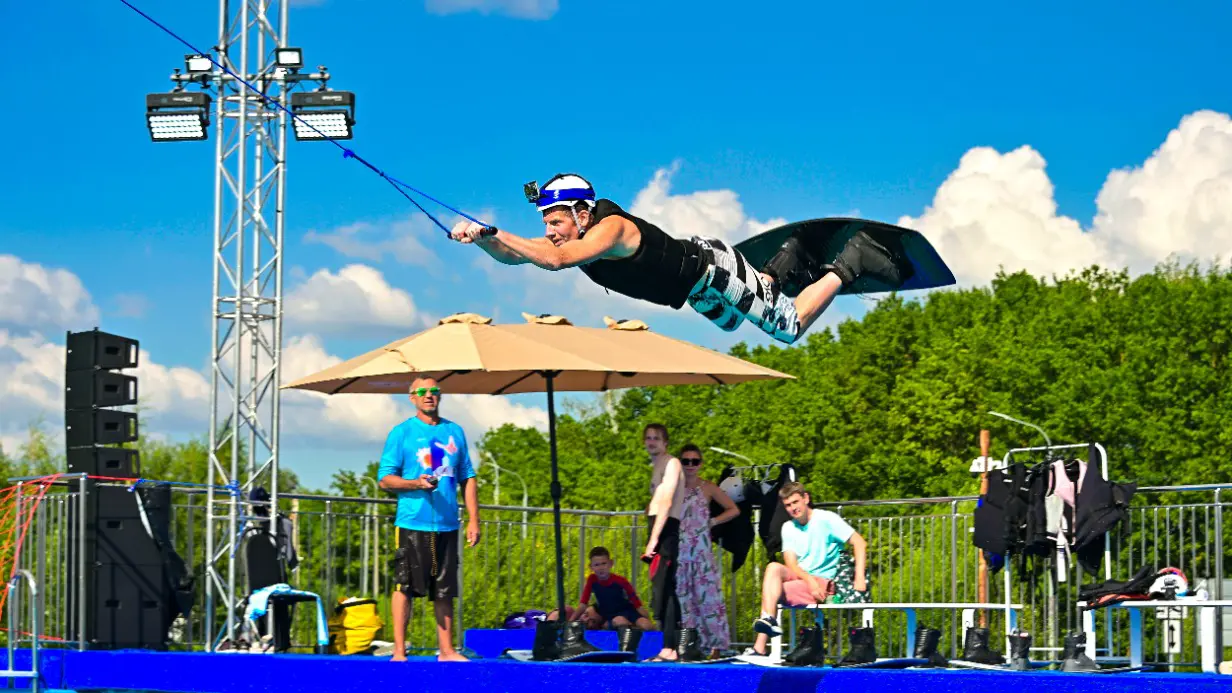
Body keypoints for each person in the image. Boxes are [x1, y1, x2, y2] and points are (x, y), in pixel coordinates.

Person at [449, 173, 911, 345]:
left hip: (711, 268)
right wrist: (482, 238)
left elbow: (554, 260)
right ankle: (787, 262)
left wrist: (496, 230)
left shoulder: (610, 229)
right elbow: (515, 257)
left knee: (787, 327)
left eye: (556, 221)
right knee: (730, 324)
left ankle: (853, 259)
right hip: (695, 289)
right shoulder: (573, 237)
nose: (550, 231)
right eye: (547, 224)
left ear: (582, 213)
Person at [377, 377, 480, 662]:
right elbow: (385, 479)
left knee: (444, 589)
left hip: (447, 523)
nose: (429, 396)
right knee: (405, 586)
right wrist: (416, 483)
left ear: (440, 396)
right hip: (413, 522)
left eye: (434, 391)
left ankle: (446, 650)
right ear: (412, 397)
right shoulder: (402, 432)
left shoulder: (454, 431)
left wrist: (474, 520)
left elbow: (468, 477)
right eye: (422, 392)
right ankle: (399, 650)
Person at [745, 481, 869, 658]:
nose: (793, 508)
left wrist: (859, 577)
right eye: (788, 505)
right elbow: (791, 564)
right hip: (803, 578)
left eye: (795, 502)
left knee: (773, 592)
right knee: (773, 568)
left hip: (823, 581)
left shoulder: (827, 519)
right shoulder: (788, 527)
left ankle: (760, 646)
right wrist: (809, 581)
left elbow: (859, 542)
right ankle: (768, 621)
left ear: (806, 498)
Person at [675, 445, 739, 657]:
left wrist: (713, 521)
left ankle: (716, 646)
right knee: (685, 598)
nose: (690, 465)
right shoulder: (674, 488)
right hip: (680, 550)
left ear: (700, 464)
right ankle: (690, 643)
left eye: (694, 461)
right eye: (686, 461)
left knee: (709, 598)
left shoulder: (708, 487)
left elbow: (733, 509)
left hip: (701, 551)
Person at [641, 423, 687, 662]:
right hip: (659, 528)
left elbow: (667, 501)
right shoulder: (658, 465)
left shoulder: (671, 463)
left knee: (664, 591)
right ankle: (669, 646)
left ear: (665, 442)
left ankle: (671, 648)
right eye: (648, 438)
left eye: (656, 438)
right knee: (662, 589)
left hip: (665, 530)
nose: (651, 442)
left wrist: (654, 539)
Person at [565, 546, 655, 631]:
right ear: (591, 567)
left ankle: (637, 630)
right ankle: (633, 632)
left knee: (646, 625)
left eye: (604, 563)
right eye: (596, 565)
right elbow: (583, 604)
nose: (601, 568)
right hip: (609, 616)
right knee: (619, 621)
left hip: (628, 612)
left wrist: (648, 620)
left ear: (611, 563)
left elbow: (637, 604)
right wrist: (570, 622)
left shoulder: (621, 581)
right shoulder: (592, 580)